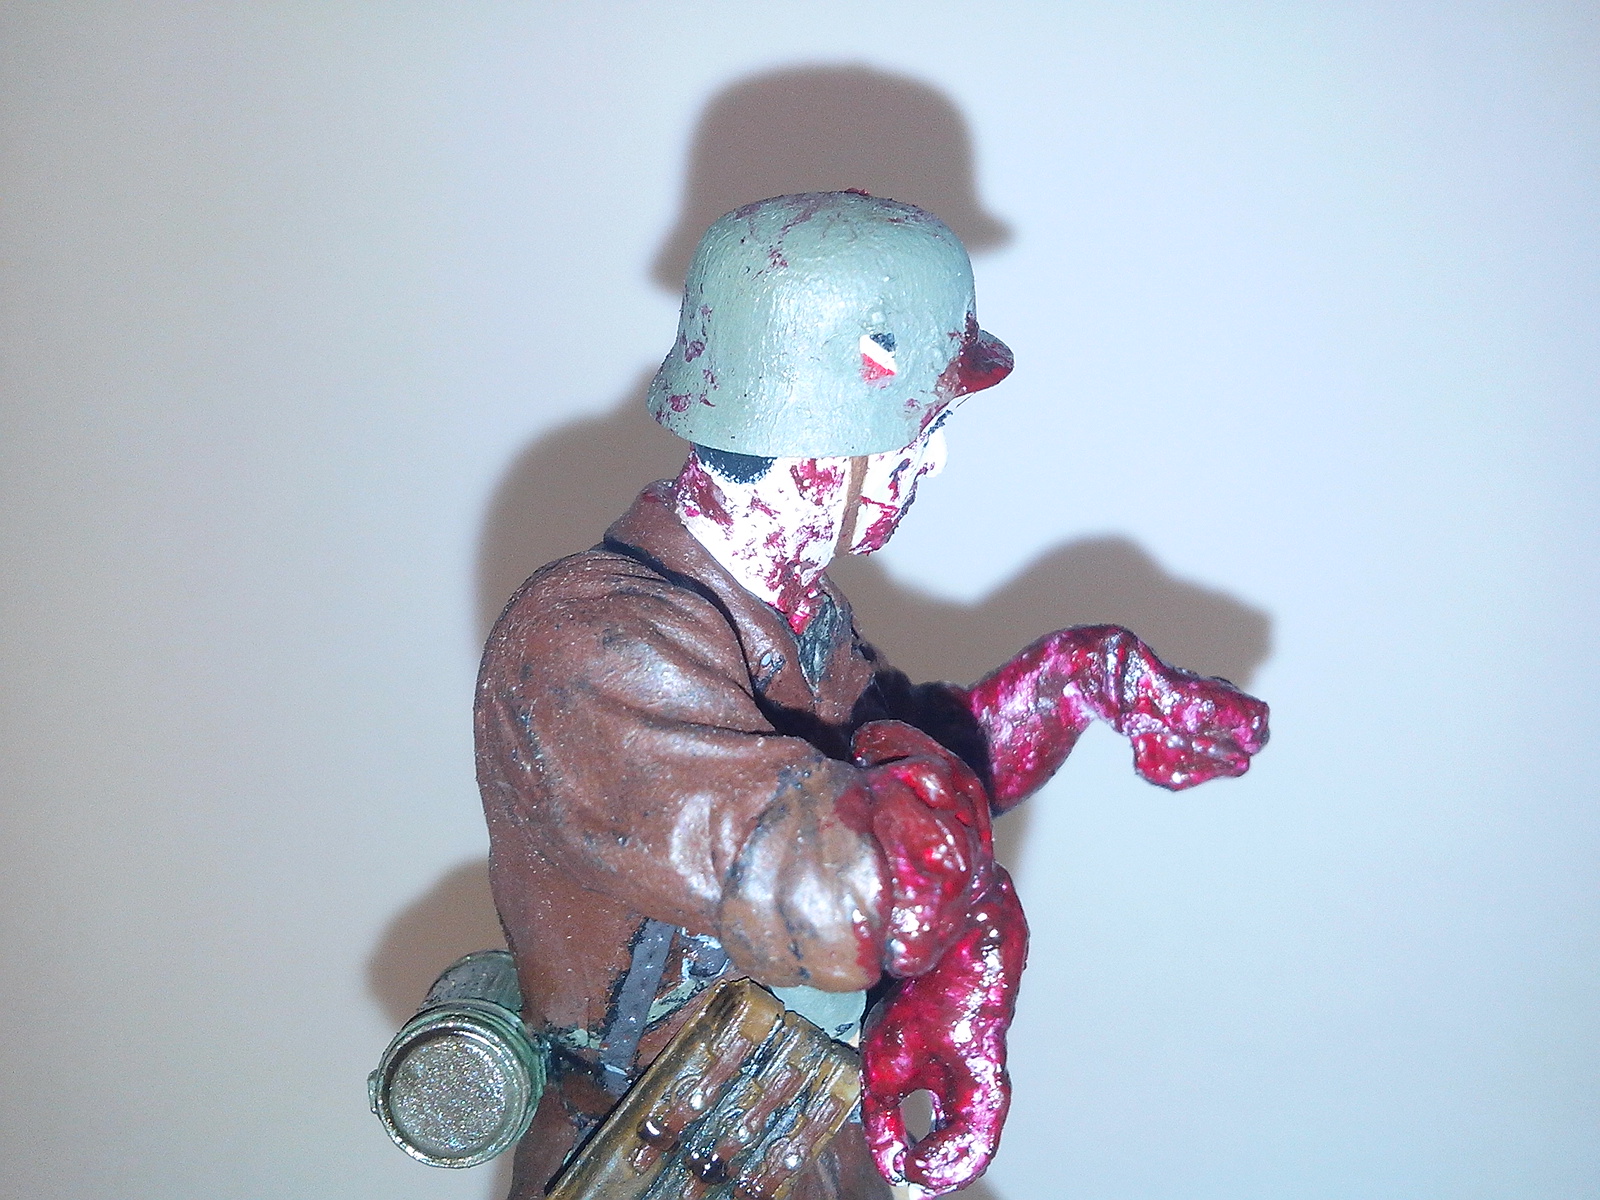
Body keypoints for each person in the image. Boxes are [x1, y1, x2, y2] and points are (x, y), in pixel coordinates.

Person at [475, 191, 1269, 1199]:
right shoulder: (593, 644)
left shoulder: (787, 613)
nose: (934, 455)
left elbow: (919, 767)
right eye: (925, 423)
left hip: (795, 1121)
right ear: (827, 419)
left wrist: (1073, 683)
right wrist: (971, 932)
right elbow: (853, 891)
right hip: (657, 1155)